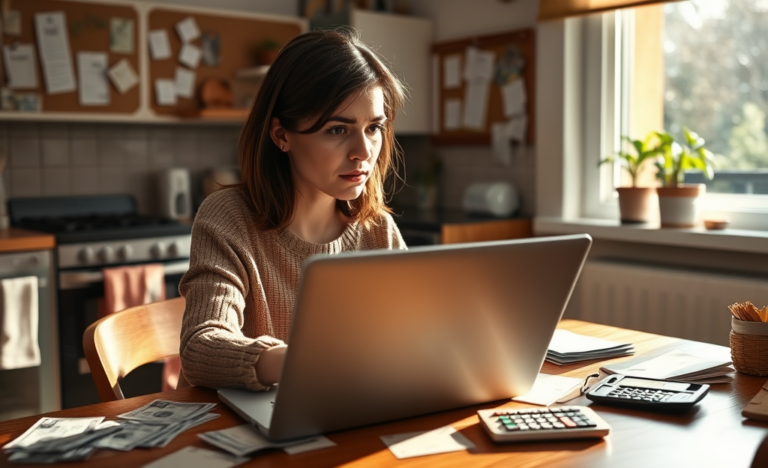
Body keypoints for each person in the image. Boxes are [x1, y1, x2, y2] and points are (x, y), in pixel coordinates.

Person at [177, 28, 408, 391]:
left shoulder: (377, 229)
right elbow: (200, 345)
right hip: (239, 432)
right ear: (282, 135)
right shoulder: (227, 218)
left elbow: (406, 337)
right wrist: (301, 363)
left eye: (374, 127)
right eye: (337, 130)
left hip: (344, 418)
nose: (363, 151)